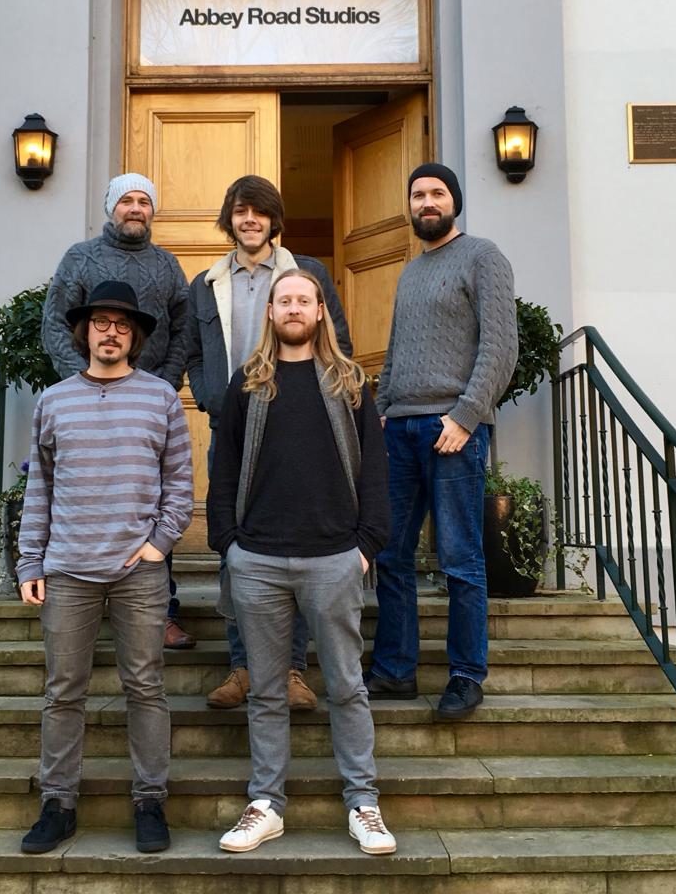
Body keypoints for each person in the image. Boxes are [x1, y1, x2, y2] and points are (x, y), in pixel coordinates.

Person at [207, 269, 395, 855]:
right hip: (257, 558)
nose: (293, 308)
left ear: (320, 313)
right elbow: (224, 470)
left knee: (345, 686)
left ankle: (363, 802)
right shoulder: (247, 385)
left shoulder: (349, 382)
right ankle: (266, 805)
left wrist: (366, 545)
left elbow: (374, 471)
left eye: (303, 300)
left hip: (333, 556)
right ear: (270, 312)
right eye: (283, 299)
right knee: (265, 690)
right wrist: (228, 545)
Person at [17, 280, 193, 855]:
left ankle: (149, 800)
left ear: (135, 335)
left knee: (145, 686)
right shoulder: (54, 400)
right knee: (64, 690)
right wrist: (30, 561)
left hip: (138, 570)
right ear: (85, 331)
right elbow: (39, 488)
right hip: (68, 569)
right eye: (101, 322)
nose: (111, 332)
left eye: (122, 324)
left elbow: (180, 484)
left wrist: (159, 545)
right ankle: (58, 803)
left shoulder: (161, 397)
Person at [187, 174, 352, 711]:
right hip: (233, 428)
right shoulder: (204, 283)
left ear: (274, 219)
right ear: (229, 219)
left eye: (259, 211)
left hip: (298, 425)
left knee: (298, 544)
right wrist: (214, 396)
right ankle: (243, 668)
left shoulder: (307, 275)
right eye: (240, 211)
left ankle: (293, 671)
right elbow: (195, 350)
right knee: (234, 542)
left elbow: (340, 342)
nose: (249, 220)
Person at [365, 163, 518, 720]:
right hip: (400, 430)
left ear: (454, 200)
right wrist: (380, 412)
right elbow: (398, 348)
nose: (426, 202)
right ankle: (395, 670)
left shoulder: (483, 256)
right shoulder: (410, 271)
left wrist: (466, 416)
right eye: (418, 195)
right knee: (392, 555)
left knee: (460, 559)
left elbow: (501, 347)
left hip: (452, 430)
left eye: (436, 193)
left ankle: (465, 674)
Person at [42, 173, 195, 651]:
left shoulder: (168, 266)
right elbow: (54, 322)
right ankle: (82, 603)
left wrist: (162, 385)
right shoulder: (80, 258)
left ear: (153, 211)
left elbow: (185, 330)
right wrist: (82, 380)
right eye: (127, 200)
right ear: (112, 208)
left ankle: (161, 612)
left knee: (152, 496)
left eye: (144, 201)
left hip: (148, 405)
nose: (135, 208)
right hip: (89, 396)